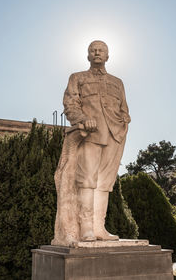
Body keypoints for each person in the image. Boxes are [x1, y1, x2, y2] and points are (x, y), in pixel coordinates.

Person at [62, 40, 131, 242]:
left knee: (105, 184)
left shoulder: (118, 82)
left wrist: (124, 121)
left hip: (114, 136)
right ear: (88, 55)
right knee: (87, 181)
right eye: (93, 50)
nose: (97, 52)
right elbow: (70, 104)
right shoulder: (77, 78)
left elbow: (124, 109)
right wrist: (83, 119)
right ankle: (86, 228)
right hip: (90, 135)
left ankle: (99, 227)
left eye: (101, 50)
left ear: (107, 56)